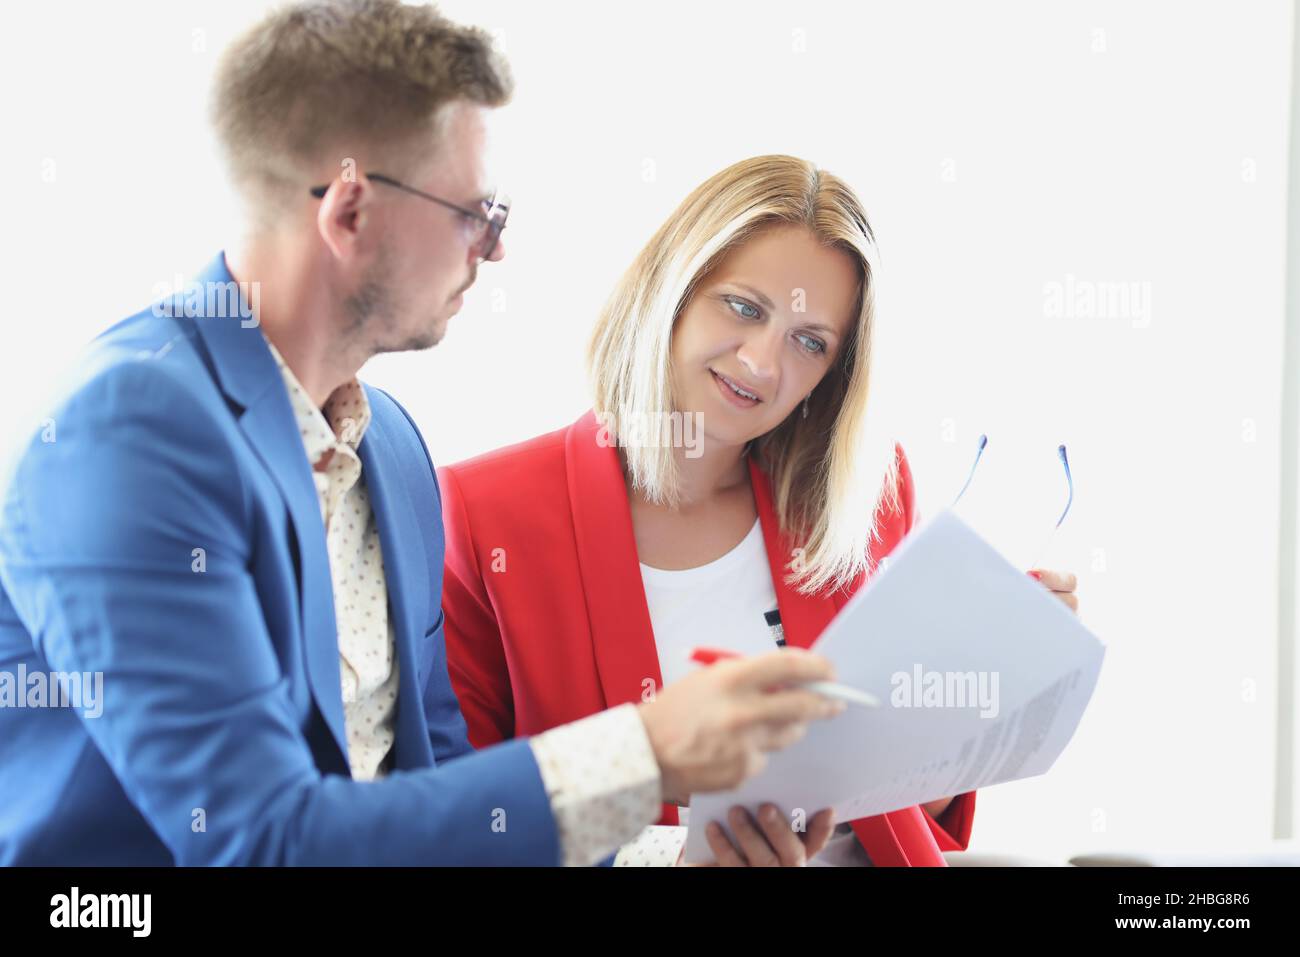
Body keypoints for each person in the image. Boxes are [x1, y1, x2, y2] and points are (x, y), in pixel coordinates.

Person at [0, 0, 844, 866]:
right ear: (352, 211)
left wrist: (682, 858)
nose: (495, 247)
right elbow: (259, 842)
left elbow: (439, 795)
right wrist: (647, 749)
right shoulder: (127, 436)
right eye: (477, 210)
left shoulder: (391, 449)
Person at [440, 154, 1082, 865]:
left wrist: (994, 678)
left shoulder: (867, 492)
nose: (762, 364)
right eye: (744, 307)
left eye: (810, 342)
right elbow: (468, 828)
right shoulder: (480, 512)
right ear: (672, 288)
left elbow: (899, 802)